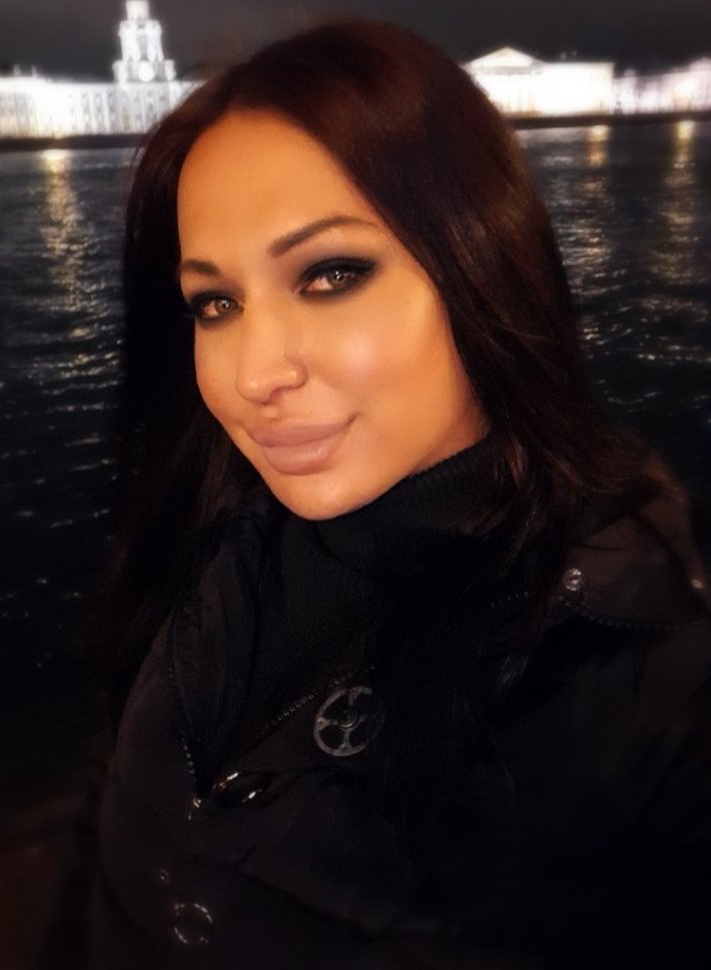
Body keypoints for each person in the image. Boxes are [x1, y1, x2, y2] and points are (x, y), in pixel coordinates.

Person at [59, 19, 711, 970]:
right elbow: (109, 809)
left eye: (331, 274)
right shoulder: (205, 527)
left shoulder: (641, 678)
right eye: (216, 303)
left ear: (482, 262)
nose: (254, 374)